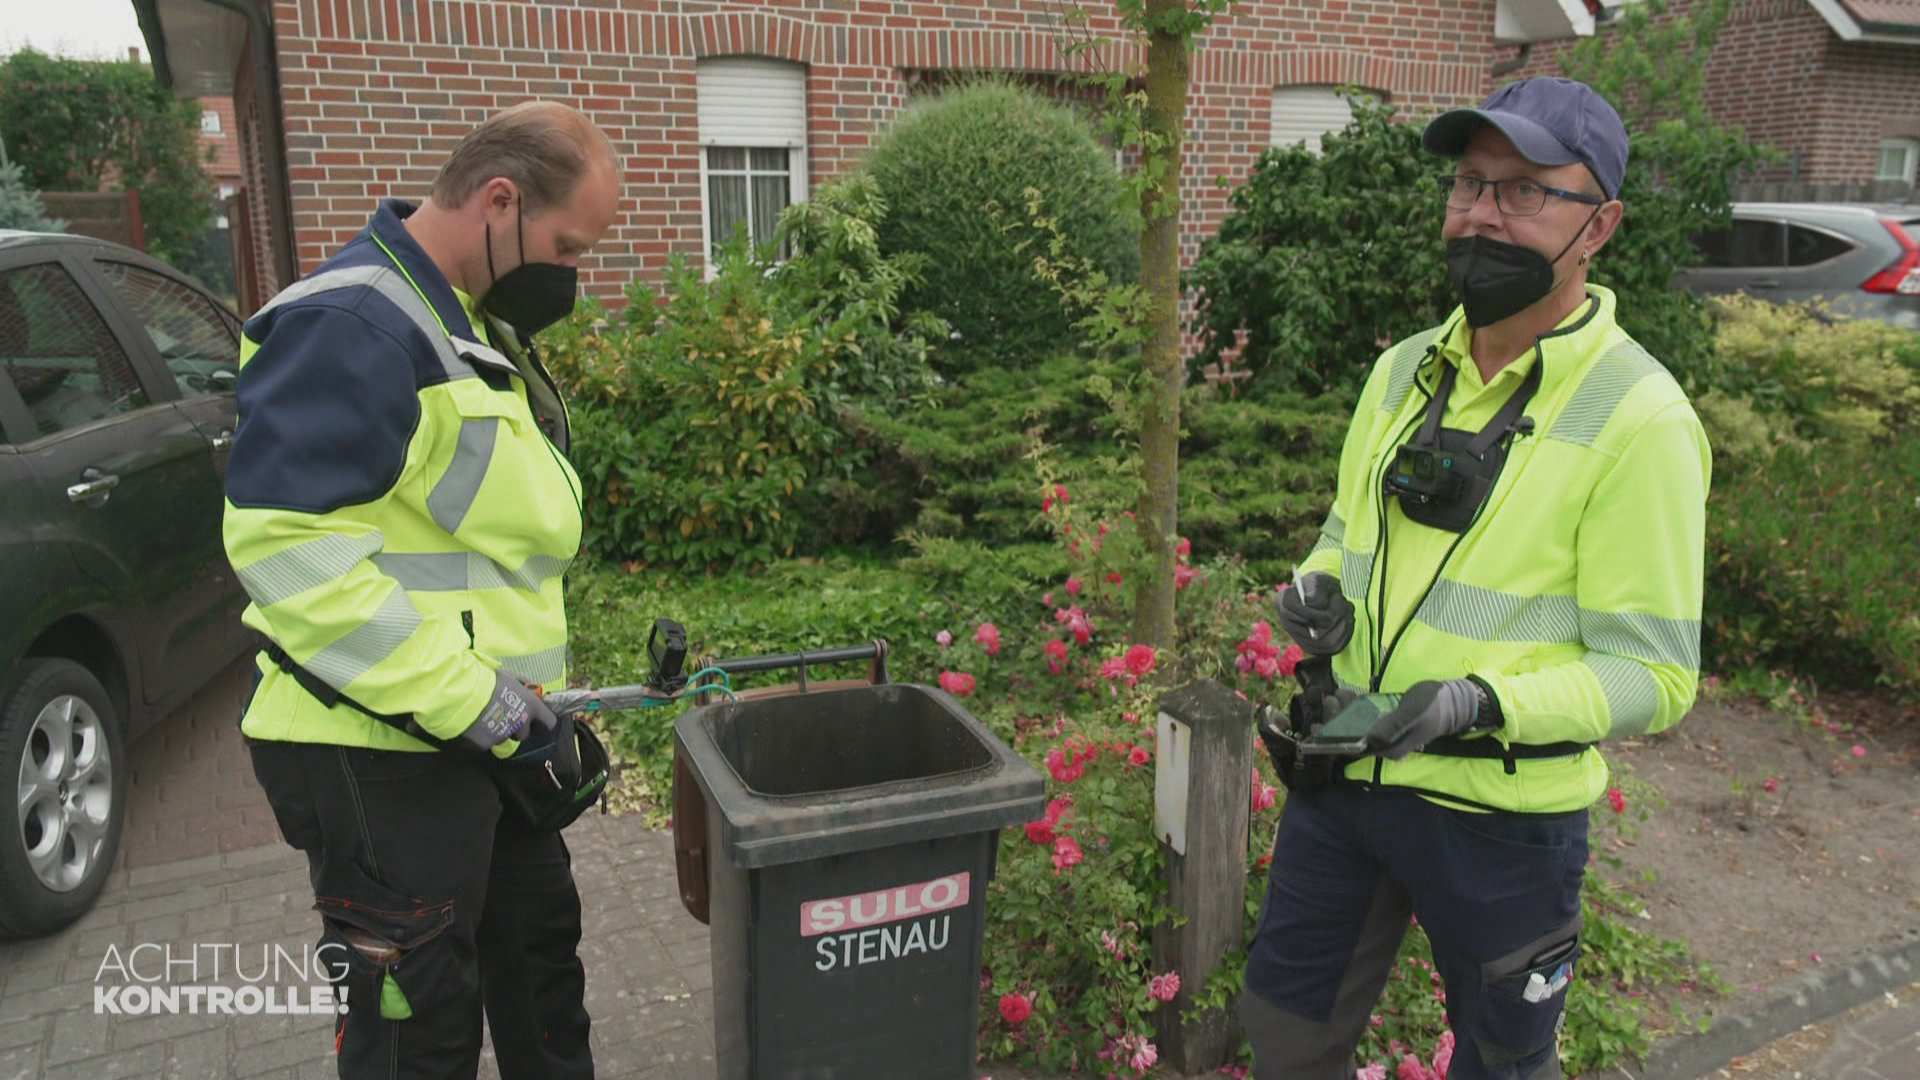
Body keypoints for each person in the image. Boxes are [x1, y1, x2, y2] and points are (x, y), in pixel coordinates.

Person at [1240, 77, 1711, 1080]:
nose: (1483, 213)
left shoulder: (1642, 419)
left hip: (1502, 822)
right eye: (1469, 183)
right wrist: (1316, 590)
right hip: (1346, 777)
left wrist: (1476, 703)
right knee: (1283, 1033)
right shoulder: (1404, 368)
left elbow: (1655, 675)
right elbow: (1344, 532)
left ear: (1603, 226)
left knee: (1501, 1063)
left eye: (1526, 190)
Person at [221, 100, 620, 1079]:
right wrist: (486, 705)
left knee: (539, 979)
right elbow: (293, 558)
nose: (569, 276)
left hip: (480, 736)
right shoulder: (352, 324)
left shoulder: (464, 321)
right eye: (566, 247)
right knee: (418, 1030)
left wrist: (526, 716)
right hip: (381, 752)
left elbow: (473, 542)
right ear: (499, 200)